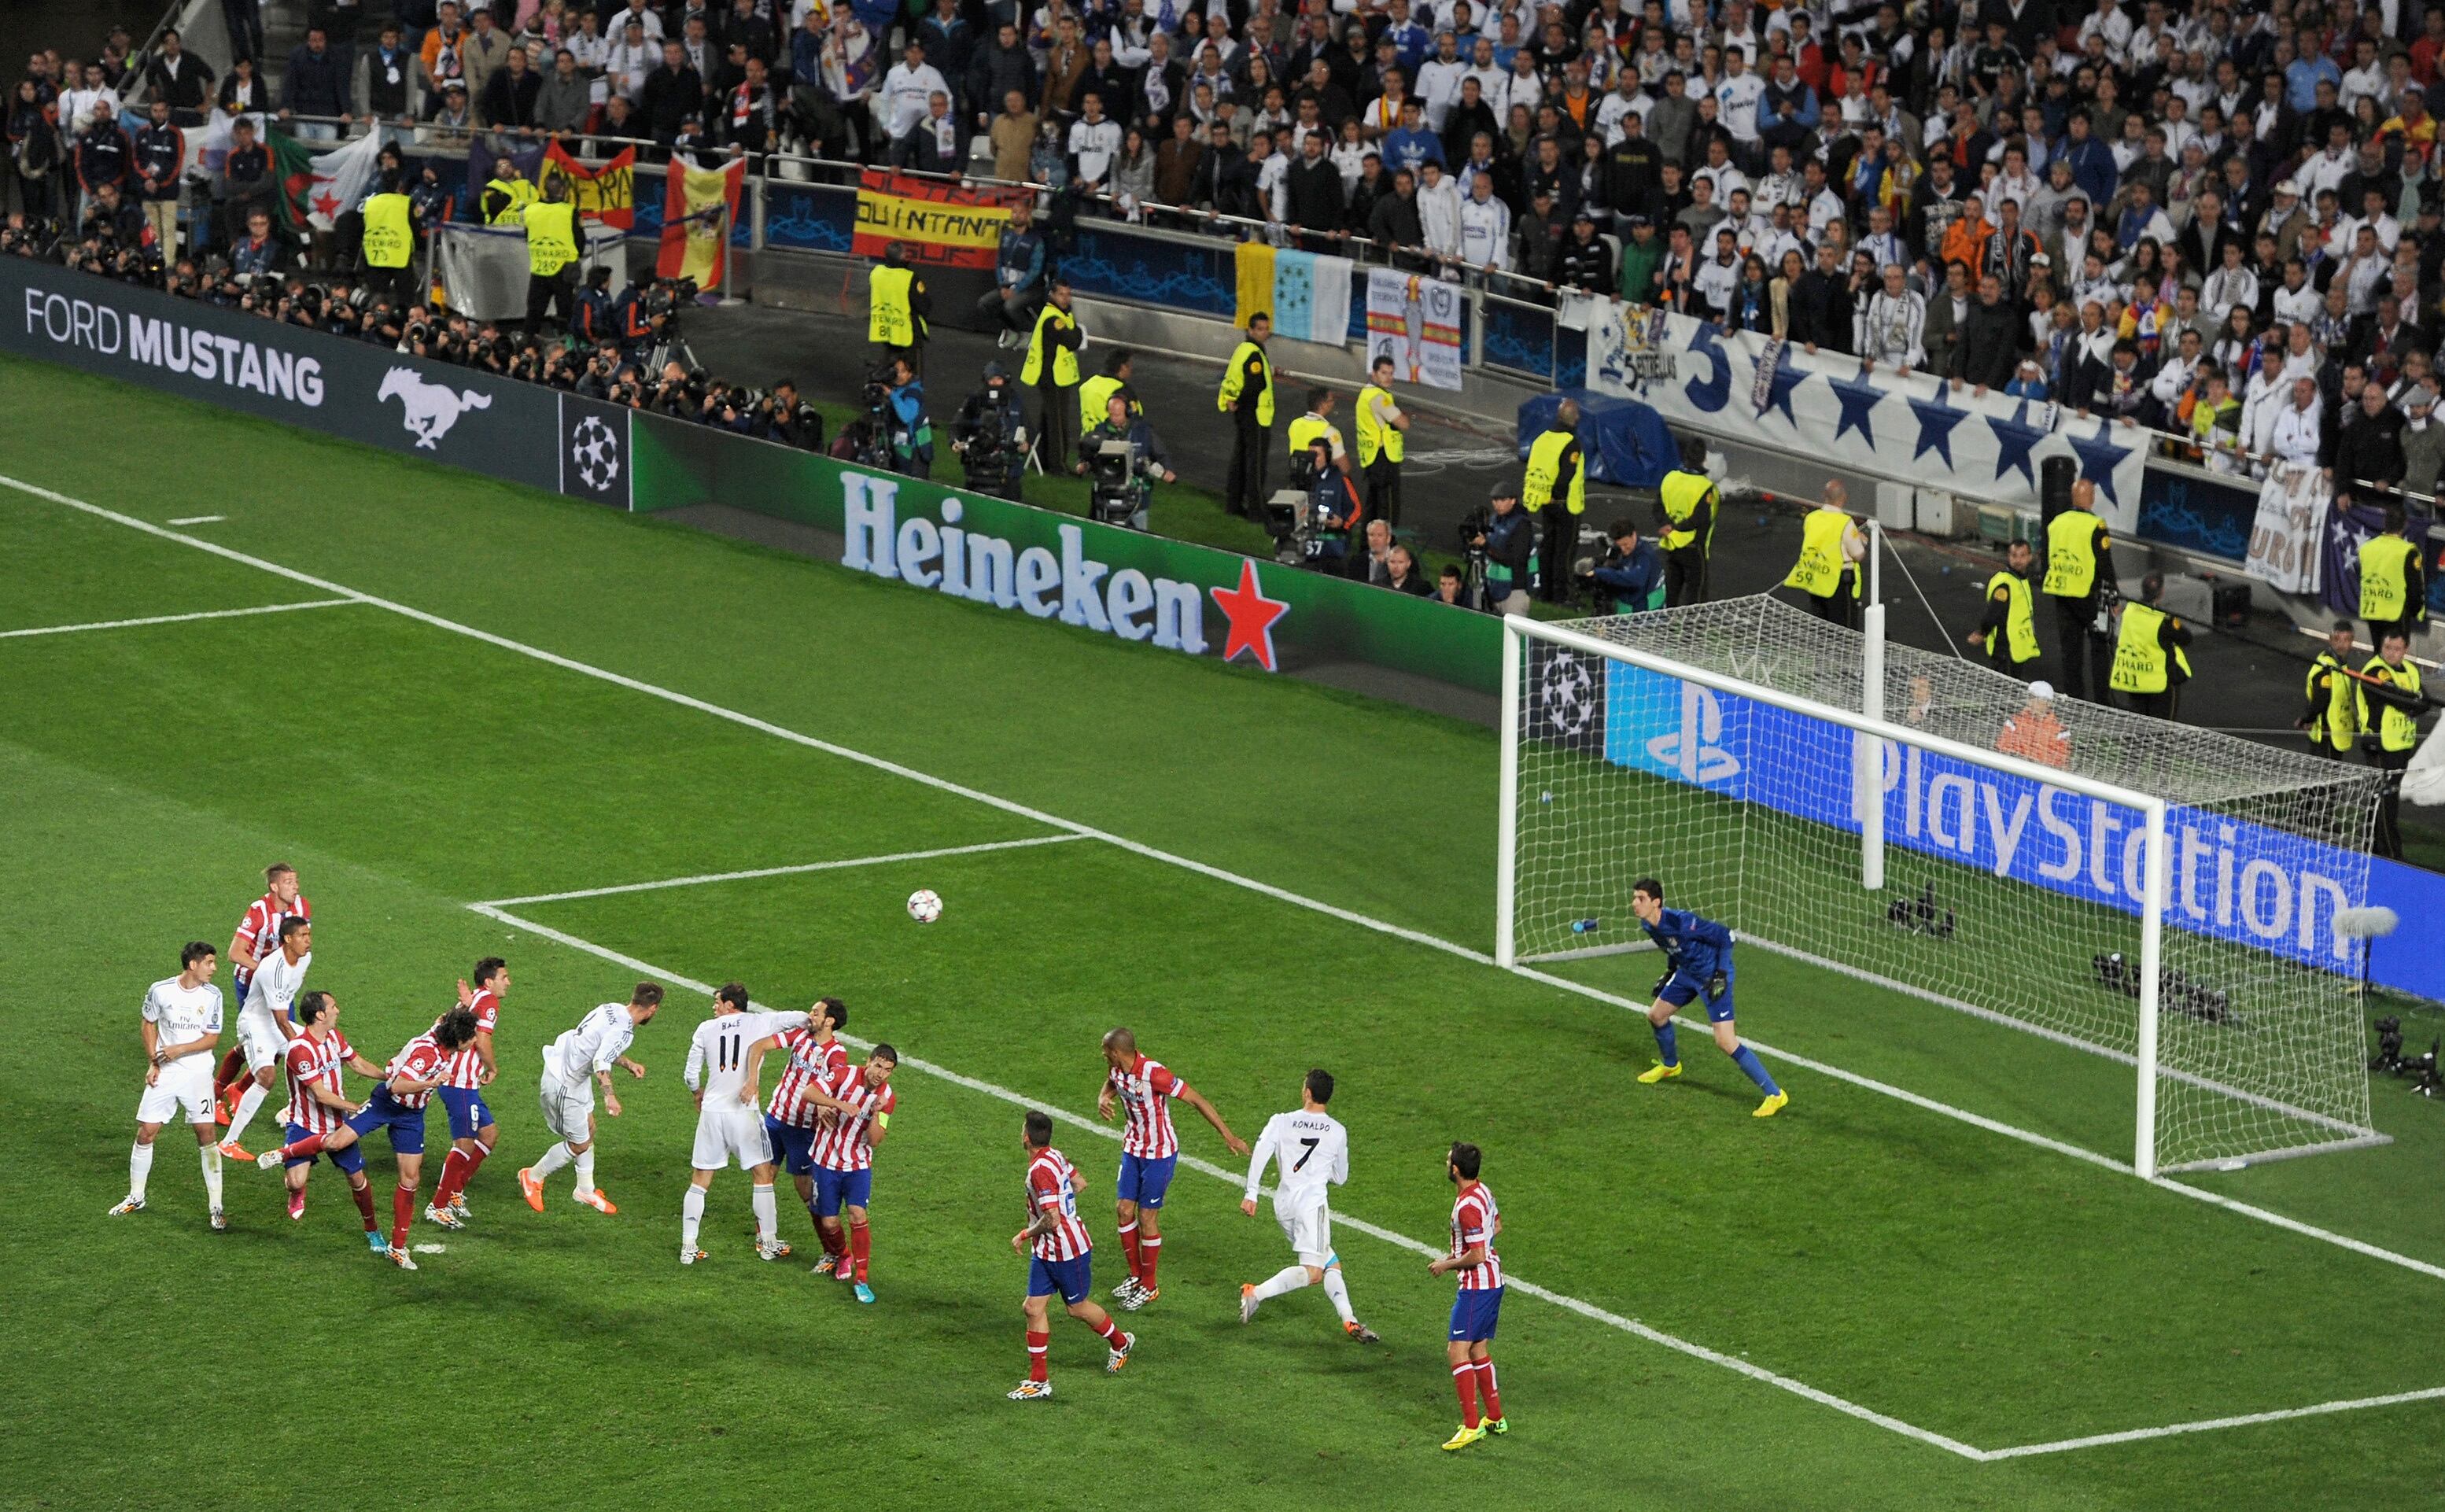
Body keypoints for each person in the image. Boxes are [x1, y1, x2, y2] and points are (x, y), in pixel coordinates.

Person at [266, 1007, 477, 1270]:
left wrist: (465, 1006)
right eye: (472, 1036)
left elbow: (444, 1019)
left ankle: (397, 1248)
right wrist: (430, 1083)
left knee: (411, 1178)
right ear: (459, 1039)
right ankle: (284, 1154)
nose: (475, 1041)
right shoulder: (427, 1054)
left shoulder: (445, 1037)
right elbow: (398, 1085)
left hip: (411, 1116)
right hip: (385, 1103)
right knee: (335, 1142)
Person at [1098, 1027, 1245, 1312]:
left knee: (1147, 1216)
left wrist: (1228, 1136)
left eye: (1106, 1051)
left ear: (1117, 1052)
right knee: (1123, 1210)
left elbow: (1196, 1100)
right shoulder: (1116, 1068)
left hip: (1159, 1153)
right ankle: (1135, 1276)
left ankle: (1150, 1286)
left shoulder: (1155, 1074)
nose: (1103, 1055)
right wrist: (1103, 1098)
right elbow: (1111, 1083)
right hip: (1133, 1148)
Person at [1237, 1068, 1378, 1341]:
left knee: (1330, 1262)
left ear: (1308, 1093)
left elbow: (1260, 1154)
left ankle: (1350, 1320)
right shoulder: (1337, 1131)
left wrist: (1251, 1193)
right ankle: (1256, 1294)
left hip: (1284, 1205)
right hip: (1311, 1208)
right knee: (1314, 1272)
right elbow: (1341, 1177)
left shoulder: (1281, 1121)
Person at [1630, 877, 1787, 1117]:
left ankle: (1775, 1095)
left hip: (1712, 976)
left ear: (1656, 902)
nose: (1634, 903)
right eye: (1634, 897)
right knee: (1656, 1016)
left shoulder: (1683, 922)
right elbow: (1673, 949)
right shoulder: (1649, 925)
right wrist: (1669, 973)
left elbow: (1726, 936)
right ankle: (1671, 1066)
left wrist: (1721, 975)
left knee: (1725, 1040)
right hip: (1687, 974)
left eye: (1640, 898)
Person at [679, 983, 810, 1265]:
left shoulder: (705, 1029)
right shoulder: (760, 1022)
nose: (714, 1007)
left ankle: (688, 1246)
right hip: (744, 1111)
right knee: (763, 1176)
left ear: (730, 1005)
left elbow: (690, 1073)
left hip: (712, 1113)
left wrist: (697, 1093)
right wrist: (814, 1021)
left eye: (718, 1002)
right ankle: (769, 1243)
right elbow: (798, 1017)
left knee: (700, 1181)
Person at [1009, 1109, 1134, 1400]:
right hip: (1047, 1251)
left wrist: (1025, 1233)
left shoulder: (1039, 1170)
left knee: (1076, 1307)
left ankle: (1120, 1341)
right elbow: (1080, 1184)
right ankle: (1039, 1381)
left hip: (1068, 1251)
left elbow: (1051, 1219)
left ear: (1026, 1137)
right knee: (1032, 1308)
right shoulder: (1056, 1156)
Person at [254, 991, 389, 1245]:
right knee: (295, 1182)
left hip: (337, 1124)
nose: (338, 1010)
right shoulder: (300, 1051)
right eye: (333, 1007)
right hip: (305, 1125)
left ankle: (372, 1230)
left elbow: (357, 1064)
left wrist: (387, 1077)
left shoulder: (334, 1038)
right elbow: (321, 1095)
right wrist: (355, 1107)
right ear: (320, 1014)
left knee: (358, 1179)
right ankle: (297, 1191)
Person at [518, 984, 662, 1217]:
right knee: (579, 1144)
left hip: (567, 1063)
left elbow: (599, 1047)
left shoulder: (612, 1008)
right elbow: (600, 1062)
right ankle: (533, 1176)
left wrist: (629, 1064)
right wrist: (610, 1097)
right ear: (653, 1009)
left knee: (589, 1128)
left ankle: (585, 1190)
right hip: (566, 1080)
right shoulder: (625, 1031)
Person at [110, 943, 227, 1228]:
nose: (214, 968)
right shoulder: (160, 990)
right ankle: (136, 1196)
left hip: (198, 1073)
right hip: (166, 1072)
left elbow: (212, 1039)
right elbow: (148, 1024)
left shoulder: (213, 995)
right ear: (193, 965)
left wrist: (180, 1050)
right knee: (146, 1132)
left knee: (206, 1134)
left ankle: (216, 1207)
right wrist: (155, 1061)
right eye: (209, 962)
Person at [214, 862, 310, 1127]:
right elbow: (235, 953)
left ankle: (238, 1089)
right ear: (274, 886)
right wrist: (268, 972)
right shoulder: (259, 912)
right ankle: (216, 1094)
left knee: (280, 1042)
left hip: (280, 987)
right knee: (258, 1041)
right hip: (253, 985)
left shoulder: (302, 907)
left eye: (296, 881)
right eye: (290, 882)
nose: (296, 886)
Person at [1426, 1139, 1506, 1452]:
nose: (1446, 1164)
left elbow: (1478, 1255)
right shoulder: (1483, 1192)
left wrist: (1447, 1264)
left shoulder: (1467, 1207)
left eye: (1448, 1161)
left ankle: (1472, 1426)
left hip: (1477, 1287)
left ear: (1456, 1170)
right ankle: (1495, 1417)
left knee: (1457, 1351)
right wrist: (1466, 1248)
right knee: (1478, 1350)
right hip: (1494, 1282)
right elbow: (1497, 1226)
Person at [805, 1046, 900, 1304]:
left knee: (858, 1214)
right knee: (829, 1223)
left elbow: (875, 1140)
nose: (881, 1074)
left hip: (858, 1165)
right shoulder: (843, 1074)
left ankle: (862, 1278)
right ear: (868, 1061)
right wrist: (837, 1104)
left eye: (888, 1070)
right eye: (878, 1066)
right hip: (826, 1160)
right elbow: (809, 1092)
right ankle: (844, 1255)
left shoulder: (888, 1098)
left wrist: (876, 1112)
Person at [758, 997, 851, 1252]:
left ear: (829, 1021)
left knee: (807, 1191)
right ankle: (764, 1238)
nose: (810, 1015)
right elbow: (763, 1044)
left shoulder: (836, 1053)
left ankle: (833, 1251)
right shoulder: (800, 1035)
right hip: (775, 1117)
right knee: (764, 1178)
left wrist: (826, 1103)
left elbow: (838, 1083)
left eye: (815, 1012)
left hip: (803, 1129)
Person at [423, 957, 508, 1231]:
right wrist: (492, 1068)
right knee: (464, 1145)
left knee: (489, 1134)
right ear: (489, 981)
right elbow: (482, 1040)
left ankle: (455, 1190)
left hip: (464, 1081)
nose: (508, 982)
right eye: (504, 977)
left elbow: (444, 1021)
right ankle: (438, 1205)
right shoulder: (489, 1002)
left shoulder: (475, 1000)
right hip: (458, 1082)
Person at [217, 916, 310, 1162]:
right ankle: (228, 1142)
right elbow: (280, 1019)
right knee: (267, 1076)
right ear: (288, 939)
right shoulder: (273, 968)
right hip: (255, 1024)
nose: (308, 941)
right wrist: (300, 1048)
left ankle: (296, 1109)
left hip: (274, 1021)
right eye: (303, 936)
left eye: (309, 935)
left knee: (320, 1043)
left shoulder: (305, 958)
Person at [2041, 478, 2117, 702]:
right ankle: (2102, 700)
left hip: (2062, 593)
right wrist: (2114, 598)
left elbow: (2049, 555)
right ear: (2091, 499)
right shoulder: (2096, 525)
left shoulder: (2057, 522)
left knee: (2070, 649)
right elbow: (2105, 564)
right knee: (2099, 646)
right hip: (2088, 596)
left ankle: (2075, 698)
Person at [2358, 628, 2427, 860]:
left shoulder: (2411, 671)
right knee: (2385, 799)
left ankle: (2370, 845)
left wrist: (2414, 702)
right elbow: (2395, 697)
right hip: (2379, 745)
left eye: (2397, 649)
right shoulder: (2376, 671)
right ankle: (2391, 853)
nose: (2391, 653)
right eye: (2387, 648)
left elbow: (2424, 701)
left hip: (2401, 745)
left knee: (2383, 798)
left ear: (2405, 650)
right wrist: (2412, 702)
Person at [1076, 393, 1175, 531]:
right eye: (1111, 414)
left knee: (1140, 536)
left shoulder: (1143, 431)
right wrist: (1082, 464)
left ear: (1128, 412)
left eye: (1117, 415)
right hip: (1106, 493)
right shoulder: (1101, 430)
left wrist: (1168, 471)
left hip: (1137, 496)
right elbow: (1087, 453)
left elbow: (1161, 453)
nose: (1114, 418)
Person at [1521, 400, 1586, 604]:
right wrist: (1558, 496)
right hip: (1566, 504)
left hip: (1545, 501)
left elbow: (1534, 469)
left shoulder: (1542, 439)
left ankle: (1545, 591)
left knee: (1547, 547)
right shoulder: (1570, 443)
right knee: (1564, 552)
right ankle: (1562, 596)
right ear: (1574, 419)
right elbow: (1566, 476)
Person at [2108, 570, 2193, 720]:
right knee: (2161, 728)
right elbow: (2186, 639)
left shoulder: (2130, 610)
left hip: (2135, 678)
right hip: (2158, 683)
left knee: (2139, 725)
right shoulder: (2163, 620)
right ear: (2161, 592)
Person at [1021, 279, 1084, 476]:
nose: (1066, 298)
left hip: (1055, 375)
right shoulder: (1054, 319)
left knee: (1049, 418)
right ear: (1052, 295)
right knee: (1058, 422)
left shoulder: (1060, 315)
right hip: (1052, 377)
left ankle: (1041, 458)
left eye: (1068, 294)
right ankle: (1058, 465)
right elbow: (1073, 341)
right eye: (1062, 295)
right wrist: (1078, 331)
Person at [1218, 313, 1277, 518]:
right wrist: (1241, 402)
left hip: (1244, 414)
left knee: (1240, 458)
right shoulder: (1254, 354)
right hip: (1256, 414)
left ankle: (1233, 503)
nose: (1264, 332)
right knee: (1256, 464)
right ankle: (1256, 509)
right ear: (1250, 330)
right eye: (1260, 329)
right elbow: (1255, 385)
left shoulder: (1243, 350)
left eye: (1266, 328)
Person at [1783, 481, 1865, 626]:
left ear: (1824, 496)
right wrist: (1861, 541)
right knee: (1845, 630)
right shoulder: (1845, 522)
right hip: (1838, 582)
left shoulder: (1812, 518)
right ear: (1844, 498)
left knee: (1822, 629)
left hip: (1816, 578)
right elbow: (1858, 554)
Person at [952, 363, 1029, 501]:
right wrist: (955, 441)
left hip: (1008, 469)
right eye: (991, 380)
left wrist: (1026, 444)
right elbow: (958, 424)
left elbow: (1026, 426)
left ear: (1005, 380)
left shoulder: (1015, 400)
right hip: (978, 466)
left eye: (998, 379)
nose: (995, 384)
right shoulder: (974, 400)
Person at [1657, 433, 1717, 607]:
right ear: (1704, 458)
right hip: (1693, 545)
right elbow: (1699, 518)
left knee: (1672, 590)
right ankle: (1692, 631)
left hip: (1671, 545)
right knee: (1695, 595)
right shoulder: (1704, 487)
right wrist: (1677, 527)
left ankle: (1667, 625)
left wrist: (1667, 526)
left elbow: (1658, 508)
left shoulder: (1670, 478)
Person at [2356, 505, 2426, 653]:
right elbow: (2415, 587)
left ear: (2385, 523)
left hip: (2372, 610)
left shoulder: (2367, 548)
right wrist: (2415, 610)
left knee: (2379, 653)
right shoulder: (2407, 551)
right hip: (2396, 614)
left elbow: (2362, 576)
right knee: (2394, 657)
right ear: (2405, 524)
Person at [1970, 539, 2042, 678]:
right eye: (2014, 555)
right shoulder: (2005, 584)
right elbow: (1993, 613)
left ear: (2030, 557)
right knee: (2004, 689)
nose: (2018, 560)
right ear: (2008, 557)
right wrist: (1982, 632)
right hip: (2005, 648)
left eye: (2022, 556)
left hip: (2016, 647)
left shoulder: (2021, 580)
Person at [979, 200, 1045, 346]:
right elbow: (999, 263)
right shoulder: (1006, 236)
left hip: (1030, 288)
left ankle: (1029, 331)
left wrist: (1016, 289)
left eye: (1021, 212)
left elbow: (1035, 270)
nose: (1016, 215)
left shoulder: (1035, 240)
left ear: (1028, 216)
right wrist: (1002, 286)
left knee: (1010, 306)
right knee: (985, 303)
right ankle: (1011, 329)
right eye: (1014, 212)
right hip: (1006, 286)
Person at [1354, 355, 1410, 528]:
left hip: (1371, 457)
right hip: (1383, 459)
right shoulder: (1380, 398)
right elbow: (1403, 423)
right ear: (1374, 373)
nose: (1389, 377)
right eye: (1384, 373)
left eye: (1391, 373)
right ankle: (1387, 544)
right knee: (1387, 508)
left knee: (1373, 505)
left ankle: (1367, 543)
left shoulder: (1366, 393)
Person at [521, 175, 580, 336]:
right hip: (564, 269)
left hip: (539, 266)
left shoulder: (530, 210)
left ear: (545, 190)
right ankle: (564, 346)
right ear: (563, 189)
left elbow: (528, 236)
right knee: (565, 312)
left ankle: (527, 345)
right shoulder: (568, 211)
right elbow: (579, 239)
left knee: (534, 311)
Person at [2300, 621, 2367, 760]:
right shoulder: (2326, 669)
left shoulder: (2339, 665)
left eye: (2346, 640)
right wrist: (2307, 719)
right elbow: (2321, 698)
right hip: (2326, 734)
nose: (2341, 644)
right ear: (2330, 640)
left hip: (2336, 732)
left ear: (2352, 642)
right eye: (2337, 639)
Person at [1474, 478, 1534, 614]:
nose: (1497, 504)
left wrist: (1486, 546)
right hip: (1494, 585)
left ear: (1513, 500)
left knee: (1515, 634)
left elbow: (1515, 559)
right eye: (1495, 500)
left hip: (1514, 590)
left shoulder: (1522, 525)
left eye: (1501, 500)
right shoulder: (1495, 520)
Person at [868, 242, 928, 372]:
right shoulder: (909, 277)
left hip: (886, 327)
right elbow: (924, 305)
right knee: (912, 370)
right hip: (907, 330)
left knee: (888, 363)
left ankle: (884, 386)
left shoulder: (876, 273)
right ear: (903, 256)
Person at [360, 168, 416, 303]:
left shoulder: (370, 203)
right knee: (405, 302)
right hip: (400, 257)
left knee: (376, 301)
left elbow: (365, 225)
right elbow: (416, 228)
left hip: (374, 257)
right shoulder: (406, 202)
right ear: (400, 185)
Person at [1589, 518, 1665, 612]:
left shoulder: (1645, 555)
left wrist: (1601, 572)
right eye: (1619, 546)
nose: (1623, 549)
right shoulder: (1622, 549)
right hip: (1627, 605)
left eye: (1625, 544)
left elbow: (1636, 580)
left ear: (1633, 535)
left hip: (1646, 610)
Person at [1996, 681, 2070, 769]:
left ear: (2048, 703)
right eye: (2030, 697)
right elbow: (2003, 748)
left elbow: (2061, 762)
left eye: (2035, 698)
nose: (2030, 702)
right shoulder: (2014, 721)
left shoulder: (2060, 731)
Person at [885, 356, 934, 478]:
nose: (899, 375)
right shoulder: (896, 389)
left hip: (916, 453)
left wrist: (892, 396)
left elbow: (906, 416)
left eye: (903, 371)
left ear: (910, 374)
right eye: (897, 371)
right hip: (899, 448)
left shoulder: (914, 392)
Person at [1077, 349, 1137, 439]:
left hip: (1087, 441)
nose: (1131, 370)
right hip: (1110, 444)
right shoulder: (1124, 391)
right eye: (1130, 366)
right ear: (1123, 367)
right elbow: (1136, 419)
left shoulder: (1087, 385)